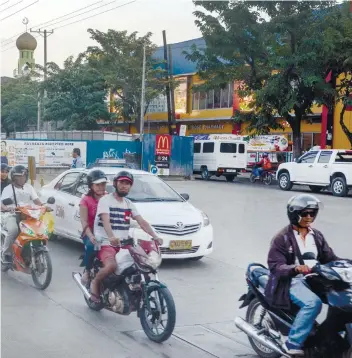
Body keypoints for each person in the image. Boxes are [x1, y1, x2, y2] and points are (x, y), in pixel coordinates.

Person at [264, 194, 340, 356]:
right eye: (305, 213)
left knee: (342, 297)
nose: (309, 217)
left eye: (312, 213)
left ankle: (331, 335)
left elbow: (330, 258)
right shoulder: (282, 238)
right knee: (313, 303)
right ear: (294, 214)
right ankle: (293, 342)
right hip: (290, 280)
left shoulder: (316, 235)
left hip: (314, 278)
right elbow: (276, 266)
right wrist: (295, 268)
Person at [90, 171, 162, 302]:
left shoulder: (128, 204)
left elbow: (142, 222)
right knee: (111, 265)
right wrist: (111, 237)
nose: (124, 186)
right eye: (121, 182)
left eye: (127, 183)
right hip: (106, 243)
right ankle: (95, 282)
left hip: (124, 244)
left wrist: (155, 236)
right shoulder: (105, 201)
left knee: (142, 263)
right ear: (115, 183)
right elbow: (106, 221)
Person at [1, 165, 45, 263]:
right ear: (13, 177)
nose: (22, 179)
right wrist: (7, 208)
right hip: (12, 215)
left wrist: (43, 206)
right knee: (13, 230)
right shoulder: (8, 189)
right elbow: (2, 204)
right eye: (19, 177)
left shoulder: (29, 187)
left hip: (28, 215)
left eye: (24, 176)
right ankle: (6, 254)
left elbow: (36, 200)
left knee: (36, 231)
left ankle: (29, 253)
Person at [79, 169, 108, 284]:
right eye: (97, 185)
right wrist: (90, 236)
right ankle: (87, 269)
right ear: (91, 186)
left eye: (103, 184)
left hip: (107, 232)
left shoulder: (108, 197)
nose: (101, 187)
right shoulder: (85, 200)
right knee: (91, 246)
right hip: (91, 232)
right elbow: (83, 221)